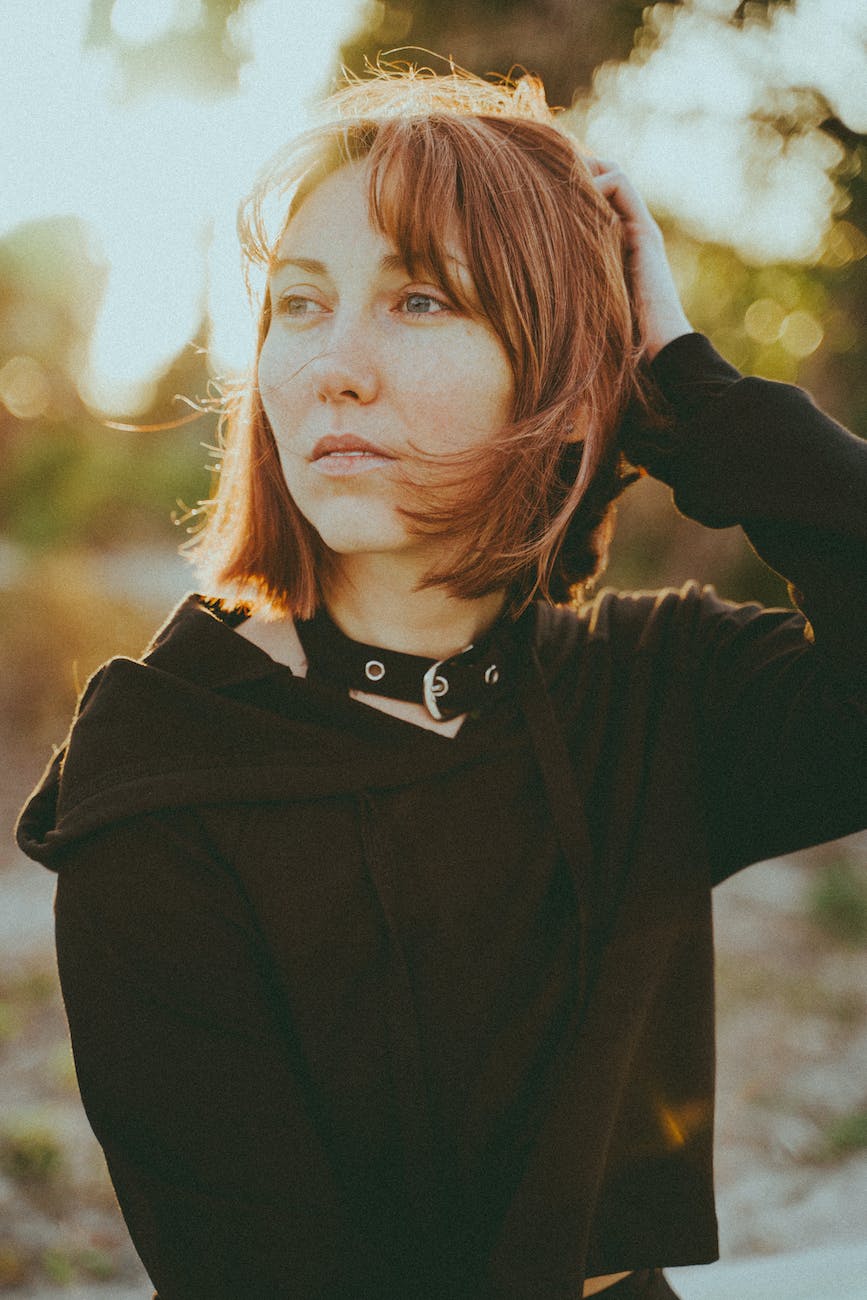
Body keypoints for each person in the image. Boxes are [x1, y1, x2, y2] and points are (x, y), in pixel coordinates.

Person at [15, 67, 867, 1300]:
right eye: (298, 305)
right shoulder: (160, 780)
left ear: (566, 371)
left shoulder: (651, 694)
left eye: (419, 298)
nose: (332, 367)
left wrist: (686, 384)